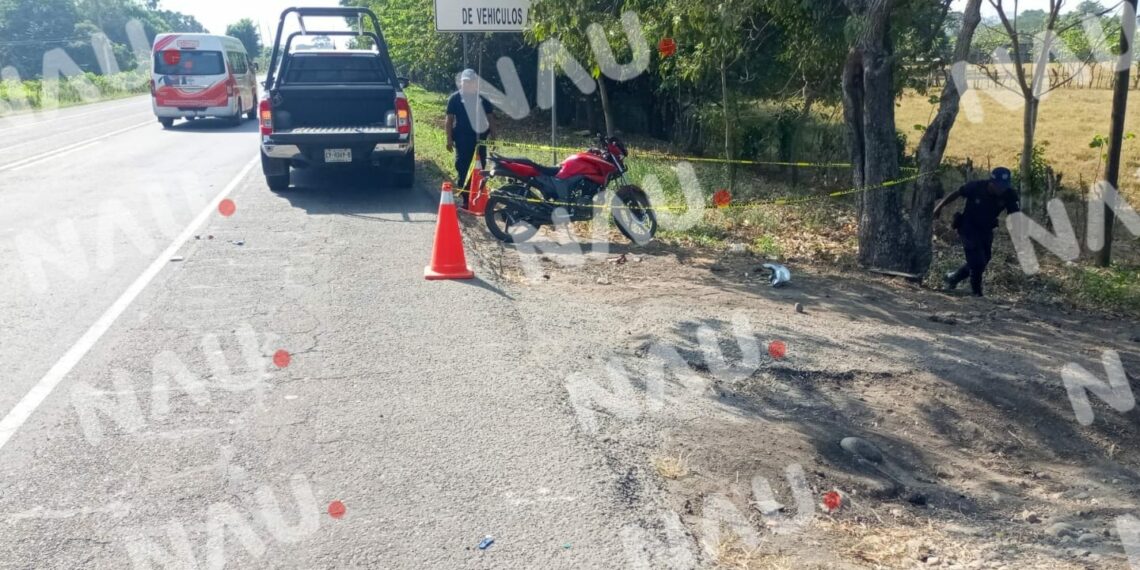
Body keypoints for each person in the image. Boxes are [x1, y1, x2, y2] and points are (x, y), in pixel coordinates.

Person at [933, 167, 1021, 297]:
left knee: (984, 259)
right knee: (977, 262)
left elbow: (1014, 213)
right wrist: (939, 207)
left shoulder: (1008, 194)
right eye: (998, 186)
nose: (1001, 189)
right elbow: (956, 193)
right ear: (991, 182)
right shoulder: (975, 187)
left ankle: (953, 277)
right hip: (967, 227)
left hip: (986, 229)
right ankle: (976, 292)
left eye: (1004, 186)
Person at [445, 69, 494, 191]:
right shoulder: (455, 99)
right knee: (462, 165)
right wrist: (449, 139)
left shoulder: (483, 98)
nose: (467, 84)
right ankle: (463, 190)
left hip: (480, 137)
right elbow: (449, 120)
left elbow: (490, 118)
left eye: (470, 82)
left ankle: (477, 191)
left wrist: (494, 135)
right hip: (462, 137)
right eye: (465, 82)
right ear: (461, 83)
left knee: (480, 165)